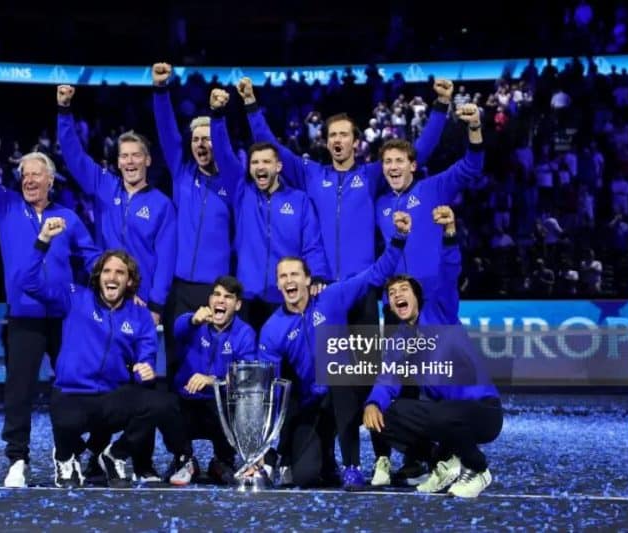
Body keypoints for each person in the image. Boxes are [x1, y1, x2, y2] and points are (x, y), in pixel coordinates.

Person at [236, 76, 453, 489]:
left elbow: (416, 153)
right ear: (326, 140)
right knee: (334, 381)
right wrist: (250, 106)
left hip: (364, 290)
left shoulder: (371, 176)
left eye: (344, 136)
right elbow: (272, 148)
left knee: (375, 375)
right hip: (325, 297)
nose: (337, 141)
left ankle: (388, 457)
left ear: (356, 142)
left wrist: (440, 110)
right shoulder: (311, 173)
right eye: (332, 135)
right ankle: (343, 459)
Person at [0, 115, 100, 488]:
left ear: (50, 180)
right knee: (19, 391)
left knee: (72, 388)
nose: (28, 180)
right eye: (24, 175)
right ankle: (18, 460)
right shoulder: (5, 205)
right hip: (25, 318)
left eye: (35, 175)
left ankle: (68, 454)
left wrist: (102, 292)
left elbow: (91, 258)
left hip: (63, 317)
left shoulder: (69, 218)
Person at [20, 219, 192, 488]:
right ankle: (65, 457)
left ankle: (115, 455)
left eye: (120, 272)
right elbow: (28, 283)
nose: (112, 277)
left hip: (112, 398)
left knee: (162, 403)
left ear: (130, 280)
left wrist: (145, 369)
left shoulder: (140, 315)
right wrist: (42, 241)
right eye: (107, 271)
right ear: (98, 276)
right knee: (64, 418)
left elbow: (145, 355)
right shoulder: (75, 297)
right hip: (73, 394)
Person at [258, 212, 411, 488]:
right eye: (283, 276)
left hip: (350, 388)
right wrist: (269, 446)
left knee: (341, 378)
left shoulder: (332, 297)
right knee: (305, 476)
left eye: (294, 274)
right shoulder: (272, 328)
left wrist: (398, 239)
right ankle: (326, 458)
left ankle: (353, 465)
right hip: (315, 401)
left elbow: (376, 274)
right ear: (278, 284)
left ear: (308, 280)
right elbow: (272, 388)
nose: (289, 280)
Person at [364, 206, 503, 498]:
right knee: (388, 417)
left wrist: (450, 233)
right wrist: (373, 403)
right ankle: (443, 464)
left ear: (418, 297)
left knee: (439, 415)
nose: (397, 295)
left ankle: (478, 468)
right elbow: (386, 380)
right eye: (392, 294)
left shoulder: (440, 313)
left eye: (403, 290)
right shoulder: (399, 341)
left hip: (482, 410)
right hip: (448, 418)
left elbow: (449, 272)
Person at [208, 90, 330, 332]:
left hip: (286, 296)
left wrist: (317, 275)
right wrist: (217, 116)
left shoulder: (300, 201)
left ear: (278, 166)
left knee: (285, 365)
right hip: (248, 296)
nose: (260, 167)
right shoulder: (243, 192)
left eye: (266, 162)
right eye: (255, 162)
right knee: (250, 364)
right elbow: (222, 153)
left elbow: (312, 244)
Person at [56, 85, 177, 327]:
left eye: (136, 155)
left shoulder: (162, 205)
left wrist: (155, 305)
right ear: (118, 161)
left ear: (148, 160)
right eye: (124, 156)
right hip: (104, 295)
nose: (129, 161)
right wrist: (64, 111)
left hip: (141, 302)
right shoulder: (104, 186)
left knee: (139, 365)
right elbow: (74, 156)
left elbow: (166, 261)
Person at [151, 63, 240, 383]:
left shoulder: (232, 181)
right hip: (180, 286)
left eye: (208, 139)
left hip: (213, 287)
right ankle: (181, 428)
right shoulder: (182, 173)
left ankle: (216, 425)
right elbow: (166, 131)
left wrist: (218, 119)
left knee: (213, 358)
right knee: (178, 357)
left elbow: (227, 151)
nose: (201, 145)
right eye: (196, 140)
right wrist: (161, 90)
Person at [168, 275, 257, 485]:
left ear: (237, 305)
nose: (221, 301)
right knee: (165, 406)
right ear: (209, 300)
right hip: (187, 401)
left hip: (220, 404)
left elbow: (247, 376)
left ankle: (222, 461)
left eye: (228, 297)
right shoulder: (194, 322)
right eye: (217, 295)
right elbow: (177, 329)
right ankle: (185, 460)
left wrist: (212, 380)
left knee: (236, 404)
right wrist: (192, 320)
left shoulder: (245, 333)